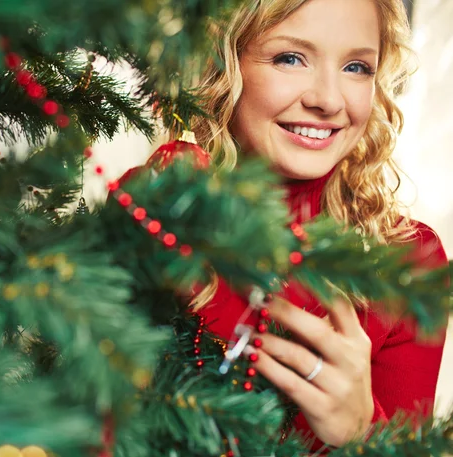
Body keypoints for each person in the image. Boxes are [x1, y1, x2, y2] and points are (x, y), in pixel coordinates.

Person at [184, 0, 449, 452]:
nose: (328, 100)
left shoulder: (410, 258)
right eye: (291, 58)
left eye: (356, 66)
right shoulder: (159, 224)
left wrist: (360, 429)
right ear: (223, 65)